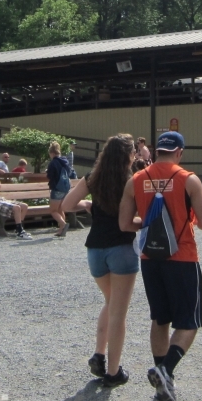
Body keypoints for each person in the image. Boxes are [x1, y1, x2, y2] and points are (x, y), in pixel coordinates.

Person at [119, 130, 202, 401]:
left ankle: (163, 378)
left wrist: (151, 222)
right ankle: (165, 370)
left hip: (150, 258)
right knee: (189, 322)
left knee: (160, 318)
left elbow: (125, 224)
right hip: (182, 257)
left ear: (157, 150)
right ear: (179, 152)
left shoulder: (136, 180)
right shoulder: (188, 179)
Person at [60, 134, 138, 387]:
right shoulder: (132, 180)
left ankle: (99, 354)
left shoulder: (93, 178)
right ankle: (113, 372)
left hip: (95, 249)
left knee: (110, 302)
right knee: (119, 313)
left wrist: (89, 205)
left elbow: (67, 205)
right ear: (128, 156)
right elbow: (136, 216)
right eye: (134, 152)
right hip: (121, 247)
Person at [47, 141, 73, 237]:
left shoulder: (53, 163)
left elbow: (50, 176)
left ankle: (63, 224)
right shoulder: (65, 161)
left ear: (52, 153)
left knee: (53, 210)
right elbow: (69, 173)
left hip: (57, 188)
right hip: (65, 188)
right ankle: (61, 230)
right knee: (60, 209)